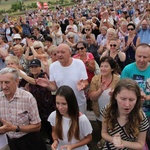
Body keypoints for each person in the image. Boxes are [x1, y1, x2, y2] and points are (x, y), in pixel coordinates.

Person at [0, 67, 47, 150]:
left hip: (30, 143)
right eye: (1, 82)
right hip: (12, 144)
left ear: (17, 81)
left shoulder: (28, 98)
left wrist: (15, 128)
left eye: (7, 82)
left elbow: (37, 126)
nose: (3, 86)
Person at [36, 43, 89, 114]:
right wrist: (48, 84)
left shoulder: (79, 63)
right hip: (62, 105)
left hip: (78, 103)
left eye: (62, 52)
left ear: (70, 53)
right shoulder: (53, 66)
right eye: (57, 52)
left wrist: (82, 86)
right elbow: (54, 87)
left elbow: (85, 82)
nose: (59, 55)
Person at [101, 79, 149, 149]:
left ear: (137, 99)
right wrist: (114, 140)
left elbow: (141, 144)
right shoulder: (107, 110)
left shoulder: (141, 117)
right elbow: (104, 133)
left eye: (131, 100)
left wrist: (122, 142)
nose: (127, 104)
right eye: (123, 99)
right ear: (115, 96)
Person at [121, 43, 150, 148]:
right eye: (139, 56)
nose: (141, 59)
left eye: (145, 57)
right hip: (130, 114)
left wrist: (146, 97)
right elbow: (122, 90)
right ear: (135, 55)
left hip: (148, 113)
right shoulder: (128, 69)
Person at [48, 85, 92, 150]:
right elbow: (54, 132)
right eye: (57, 103)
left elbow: (89, 138)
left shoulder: (82, 119)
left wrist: (73, 146)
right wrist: (55, 141)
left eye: (64, 104)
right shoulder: (53, 116)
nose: (60, 107)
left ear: (71, 103)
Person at [89, 56, 120, 139]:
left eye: (106, 66)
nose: (103, 68)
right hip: (99, 112)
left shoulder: (118, 79)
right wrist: (100, 90)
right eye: (101, 66)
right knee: (102, 131)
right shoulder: (95, 79)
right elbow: (91, 97)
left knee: (113, 132)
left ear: (112, 68)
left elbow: (123, 96)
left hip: (114, 113)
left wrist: (115, 94)